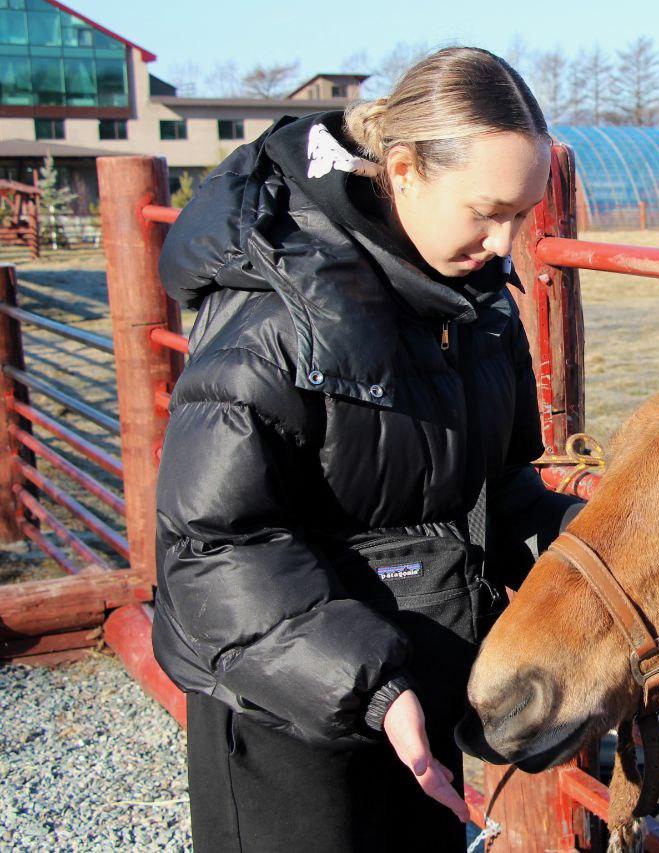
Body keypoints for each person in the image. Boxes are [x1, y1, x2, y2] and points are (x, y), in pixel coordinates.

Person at [151, 46, 585, 852]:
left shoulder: (478, 307)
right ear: (404, 170)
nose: (505, 243)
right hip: (290, 717)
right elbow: (211, 546)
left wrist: (593, 543)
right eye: (487, 211)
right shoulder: (275, 319)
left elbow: (496, 488)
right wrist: (373, 687)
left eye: (523, 216)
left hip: (425, 691)